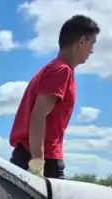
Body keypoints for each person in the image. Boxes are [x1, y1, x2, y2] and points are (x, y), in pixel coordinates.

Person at [8, 14, 99, 179]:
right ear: (81, 41)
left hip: (31, 156)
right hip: (41, 160)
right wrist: (37, 162)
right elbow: (38, 116)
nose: (92, 50)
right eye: (92, 43)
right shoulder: (61, 71)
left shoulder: (52, 69)